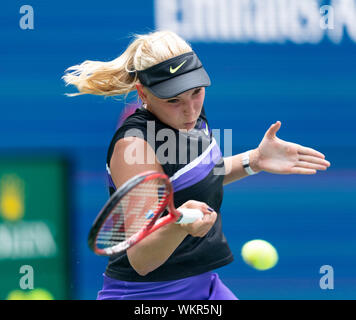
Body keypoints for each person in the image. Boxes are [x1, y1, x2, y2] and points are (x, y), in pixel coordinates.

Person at [63, 30, 330, 300]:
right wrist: (179, 225)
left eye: (196, 92)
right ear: (143, 93)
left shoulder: (188, 116)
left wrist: (254, 160)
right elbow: (141, 259)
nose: (190, 109)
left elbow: (194, 177)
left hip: (205, 285)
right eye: (173, 100)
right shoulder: (135, 146)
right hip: (149, 295)